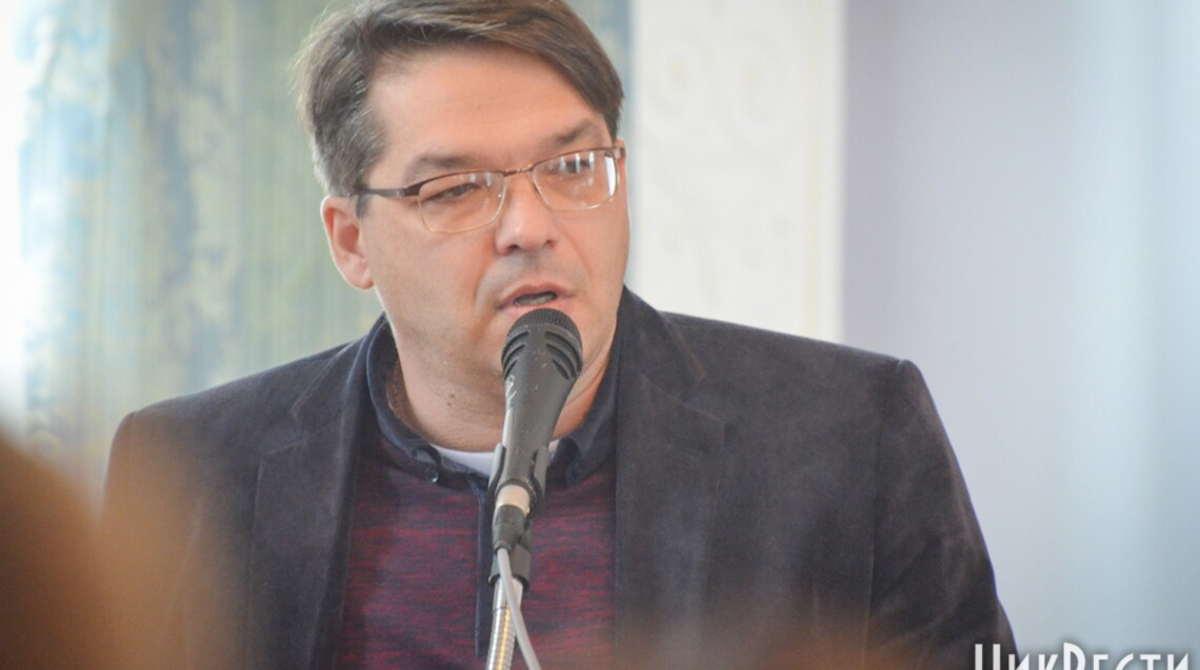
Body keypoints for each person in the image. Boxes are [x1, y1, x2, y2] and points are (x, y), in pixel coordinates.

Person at [105, 0, 1016, 668]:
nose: (530, 226)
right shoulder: (189, 470)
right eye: (455, 189)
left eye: (574, 166)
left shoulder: (852, 436)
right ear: (352, 242)